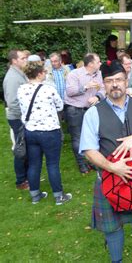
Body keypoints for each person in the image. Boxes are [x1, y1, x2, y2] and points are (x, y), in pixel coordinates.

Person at [79, 60, 132, 262]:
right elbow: (89, 150)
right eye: (109, 81)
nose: (115, 84)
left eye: (118, 80)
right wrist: (112, 167)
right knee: (112, 227)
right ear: (103, 84)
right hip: (109, 180)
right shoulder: (93, 113)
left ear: (126, 81)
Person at [17, 61, 72, 205]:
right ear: (40, 74)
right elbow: (60, 105)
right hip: (49, 131)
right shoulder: (48, 89)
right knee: (52, 164)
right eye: (44, 72)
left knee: (34, 164)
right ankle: (59, 196)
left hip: (30, 131)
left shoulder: (21, 89)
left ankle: (35, 195)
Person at [64, 53, 105, 174]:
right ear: (91, 64)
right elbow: (70, 91)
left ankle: (93, 161)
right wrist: (86, 86)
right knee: (77, 137)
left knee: (93, 136)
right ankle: (82, 164)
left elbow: (103, 88)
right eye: (98, 61)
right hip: (75, 109)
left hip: (91, 109)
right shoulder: (75, 74)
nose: (100, 63)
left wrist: (97, 97)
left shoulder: (99, 74)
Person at [3, 49, 29, 190]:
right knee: (21, 149)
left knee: (27, 148)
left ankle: (26, 177)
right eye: (22, 58)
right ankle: (21, 181)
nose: (25, 60)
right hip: (18, 118)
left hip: (23, 117)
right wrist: (27, 114)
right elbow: (12, 102)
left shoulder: (19, 73)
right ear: (14, 61)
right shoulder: (13, 77)